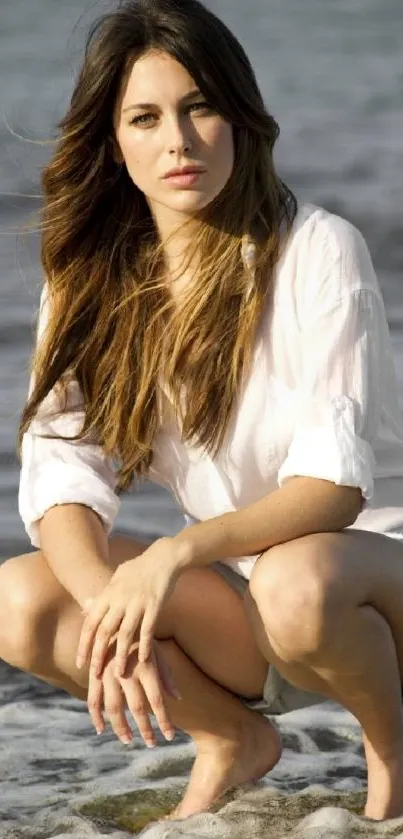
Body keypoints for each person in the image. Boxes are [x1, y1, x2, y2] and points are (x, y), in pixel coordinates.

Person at [1, 0, 403, 824]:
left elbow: (330, 492)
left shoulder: (315, 249)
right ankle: (233, 738)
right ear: (113, 142)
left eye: (200, 106)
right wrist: (110, 607)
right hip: (249, 600)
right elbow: (60, 472)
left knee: (294, 581)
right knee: (22, 598)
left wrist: (174, 553)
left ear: (241, 117)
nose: (177, 141)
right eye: (144, 117)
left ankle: (392, 756)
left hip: (370, 586)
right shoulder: (88, 284)